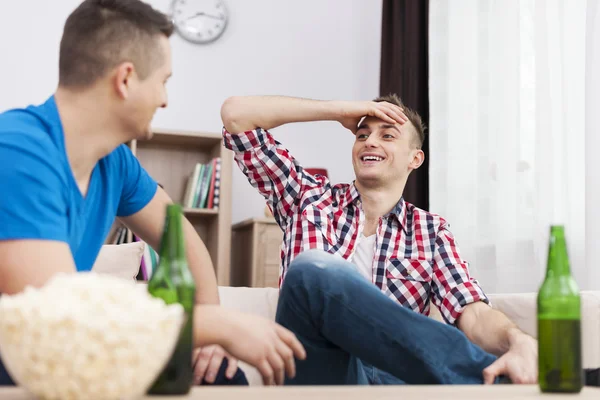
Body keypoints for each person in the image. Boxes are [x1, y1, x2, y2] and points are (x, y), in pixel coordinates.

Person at [0, 0, 304, 387]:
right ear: (125, 79)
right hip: (27, 347)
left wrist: (207, 335)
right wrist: (211, 324)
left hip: (54, 345)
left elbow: (182, 238)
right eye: (163, 80)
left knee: (218, 376)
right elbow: (55, 317)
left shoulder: (115, 163)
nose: (165, 99)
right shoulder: (16, 151)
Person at [220, 94, 538, 385]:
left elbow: (473, 313)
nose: (370, 141)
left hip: (395, 382)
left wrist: (519, 340)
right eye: (362, 135)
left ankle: (494, 381)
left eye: (387, 135)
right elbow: (236, 115)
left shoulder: (432, 231)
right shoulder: (306, 200)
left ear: (415, 159)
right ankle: (493, 386)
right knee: (310, 272)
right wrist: (339, 110)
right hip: (323, 377)